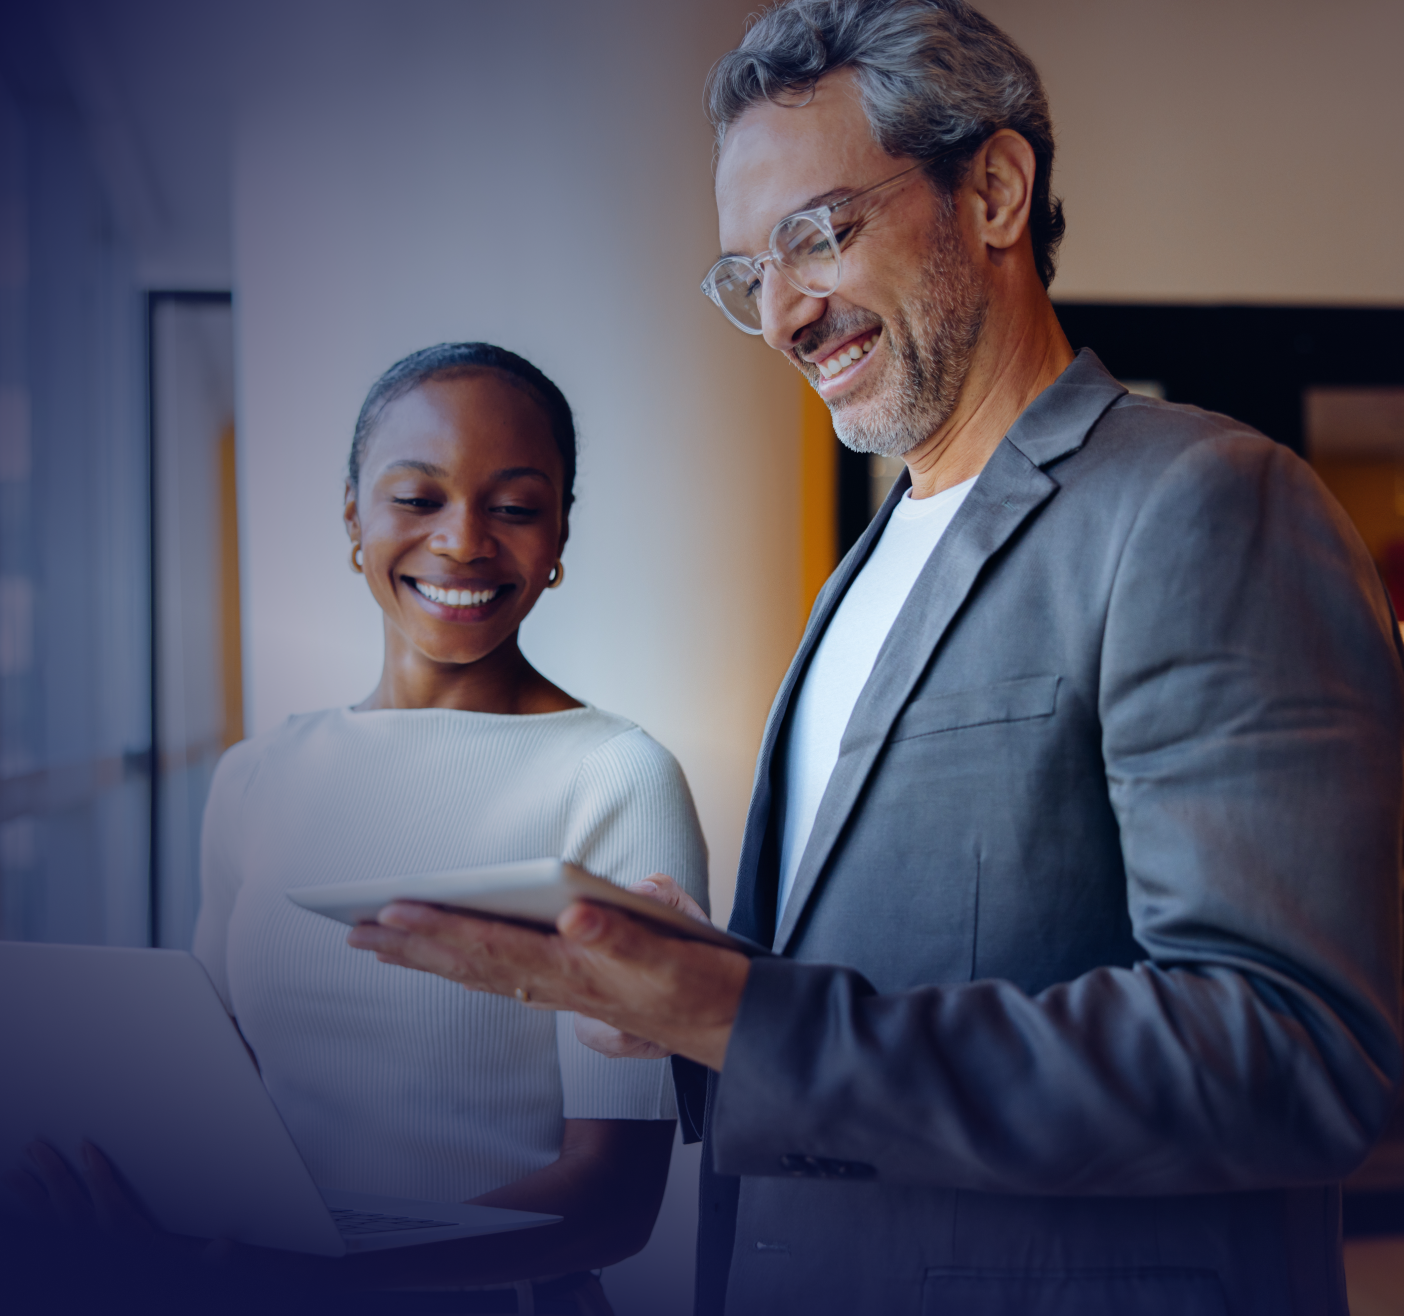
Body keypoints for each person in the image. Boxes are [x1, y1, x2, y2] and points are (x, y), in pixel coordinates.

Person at [346, 6, 1404, 1315]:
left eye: (820, 235)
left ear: (996, 192)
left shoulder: (1202, 501)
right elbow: (885, 988)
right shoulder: (862, 570)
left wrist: (751, 1015)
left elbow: (1298, 1056)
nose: (783, 314)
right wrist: (686, 991)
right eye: (748, 274)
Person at [12, 342, 709, 1314]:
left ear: (558, 535)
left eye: (513, 506)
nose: (464, 540)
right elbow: (219, 1094)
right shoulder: (256, 775)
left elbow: (614, 1199)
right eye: (418, 498)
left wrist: (311, 1278)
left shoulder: (617, 775)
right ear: (354, 514)